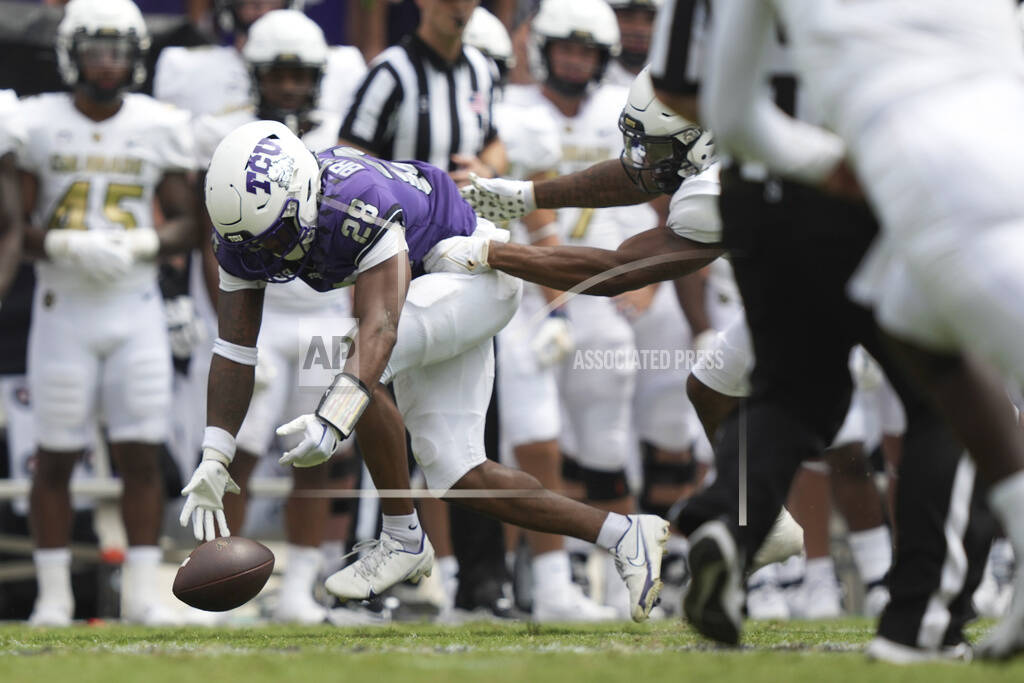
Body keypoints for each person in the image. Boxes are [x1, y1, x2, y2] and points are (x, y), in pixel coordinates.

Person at [179, 119, 671, 623]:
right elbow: (234, 347)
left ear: (303, 196)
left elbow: (382, 328)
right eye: (256, 244)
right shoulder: (248, 233)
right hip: (431, 287)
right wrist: (215, 453)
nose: (270, 254)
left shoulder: (357, 203)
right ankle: (626, 534)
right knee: (458, 473)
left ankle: (400, 536)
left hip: (470, 272)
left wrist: (331, 420)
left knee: (347, 357)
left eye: (278, 236)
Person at [697, 0, 1024, 660]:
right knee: (939, 366)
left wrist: (823, 161)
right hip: (994, 152)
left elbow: (726, 114)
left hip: (907, 187)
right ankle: (922, 624)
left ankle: (915, 623)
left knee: (909, 377)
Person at [11, 0, 199, 626]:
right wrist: (60, 243)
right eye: (96, 49)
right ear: (70, 53)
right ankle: (55, 595)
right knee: (55, 456)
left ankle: (143, 593)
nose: (109, 63)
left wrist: (147, 242)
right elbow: (12, 224)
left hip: (135, 306)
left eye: (119, 50)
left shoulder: (156, 124)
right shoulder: (33, 123)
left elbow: (186, 222)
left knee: (141, 452)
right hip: (62, 305)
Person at [338, 0, 510, 616]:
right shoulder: (390, 73)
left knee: (476, 418)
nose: (460, 7)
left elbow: (495, 147)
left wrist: (483, 170)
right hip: (396, 261)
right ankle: (374, 563)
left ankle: (484, 580)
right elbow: (344, 160)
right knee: (377, 404)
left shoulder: (483, 71)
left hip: (464, 259)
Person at [190, 8, 359, 625]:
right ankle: (227, 587)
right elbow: (207, 238)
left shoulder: (343, 135)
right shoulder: (226, 135)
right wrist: (223, 326)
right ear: (255, 74)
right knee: (240, 451)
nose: (289, 85)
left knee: (318, 450)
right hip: (257, 311)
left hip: (323, 316)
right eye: (278, 73)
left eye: (299, 74)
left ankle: (299, 588)